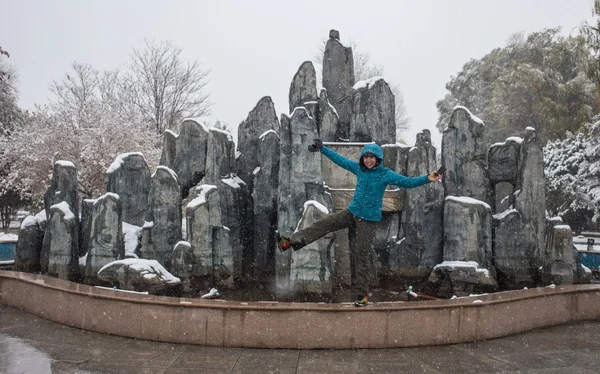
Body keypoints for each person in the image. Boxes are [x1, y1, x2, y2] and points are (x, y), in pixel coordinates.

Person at [279, 138, 443, 307]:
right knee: (325, 223)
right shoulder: (359, 169)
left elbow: (407, 182)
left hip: (369, 220)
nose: (368, 160)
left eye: (372, 157)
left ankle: (362, 296)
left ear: (378, 159)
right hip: (352, 212)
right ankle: (289, 242)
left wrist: (428, 178)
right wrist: (323, 149)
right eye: (366, 157)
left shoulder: (385, 174)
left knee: (361, 256)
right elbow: (340, 160)